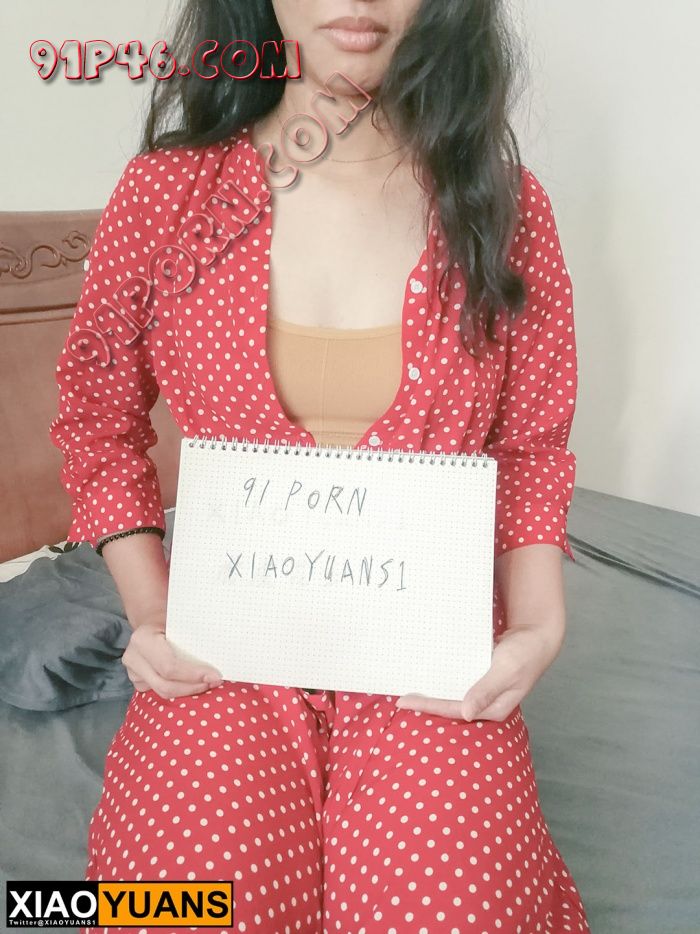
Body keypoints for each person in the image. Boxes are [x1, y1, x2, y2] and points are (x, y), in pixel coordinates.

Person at [49, 1, 590, 931]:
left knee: (453, 913)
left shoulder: (505, 204)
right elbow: (96, 420)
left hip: (428, 659)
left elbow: (530, 448)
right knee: (176, 912)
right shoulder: (167, 196)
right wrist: (152, 612)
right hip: (227, 657)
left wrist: (538, 627)